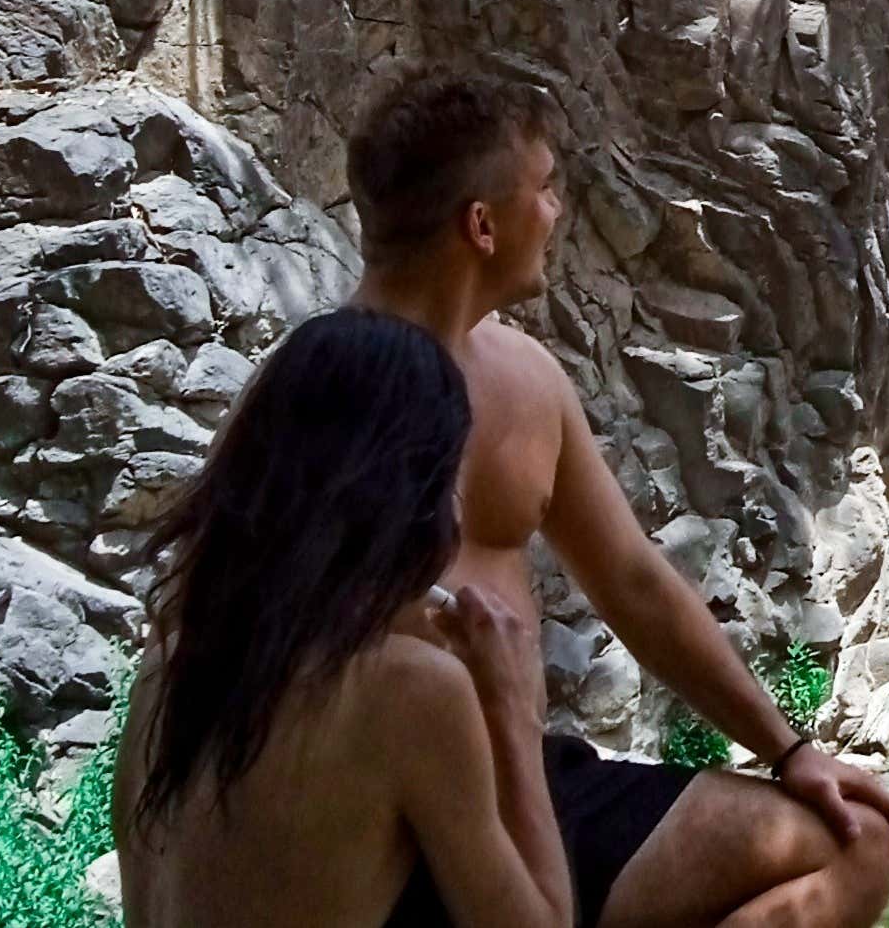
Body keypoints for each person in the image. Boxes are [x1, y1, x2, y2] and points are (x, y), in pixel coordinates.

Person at [334, 69, 889, 927]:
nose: (557, 210)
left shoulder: (526, 378)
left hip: (533, 779)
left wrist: (789, 750)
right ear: (482, 225)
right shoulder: (319, 392)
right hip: (393, 815)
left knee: (856, 840)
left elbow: (633, 582)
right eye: (544, 187)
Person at [113, 308, 575, 926]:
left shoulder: (168, 666)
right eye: (450, 483)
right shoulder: (410, 690)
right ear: (410, 501)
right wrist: (513, 713)